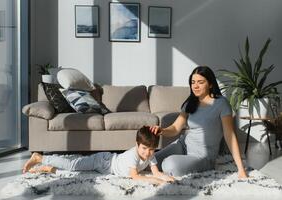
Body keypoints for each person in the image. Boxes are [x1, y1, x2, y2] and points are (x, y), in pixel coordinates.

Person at [150, 66, 248, 178]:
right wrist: (161, 130)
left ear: (210, 84)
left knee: (170, 165)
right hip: (183, 145)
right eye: (193, 82)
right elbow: (176, 128)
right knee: (150, 160)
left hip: (203, 157)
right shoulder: (190, 103)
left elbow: (229, 135)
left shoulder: (221, 104)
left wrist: (241, 169)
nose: (195, 86)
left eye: (200, 82)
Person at [23, 126, 175, 185]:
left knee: (73, 175)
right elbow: (135, 177)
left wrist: (166, 178)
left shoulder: (150, 154)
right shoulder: (133, 155)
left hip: (107, 171)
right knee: (73, 165)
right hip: (104, 161)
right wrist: (155, 181)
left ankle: (48, 169)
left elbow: (156, 171)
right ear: (137, 144)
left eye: (151, 149)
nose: (147, 153)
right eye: (144, 148)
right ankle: (40, 157)